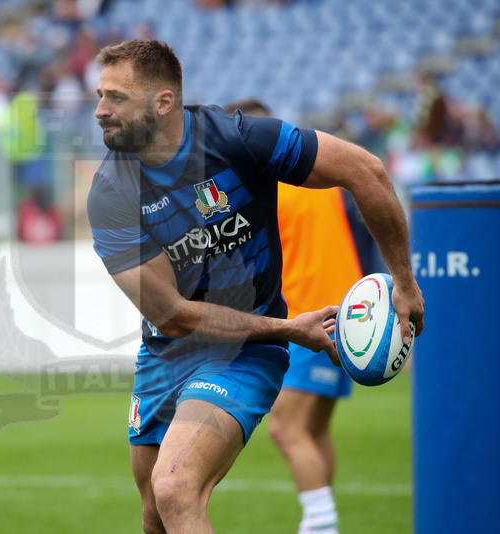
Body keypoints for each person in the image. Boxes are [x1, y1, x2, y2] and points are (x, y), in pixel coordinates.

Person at [86, 40, 424, 534]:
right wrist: (290, 327)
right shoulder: (110, 195)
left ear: (162, 102)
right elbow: (174, 316)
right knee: (154, 516)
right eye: (99, 95)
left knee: (176, 486)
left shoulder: (238, 139)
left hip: (246, 348)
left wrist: (405, 283)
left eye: (116, 97)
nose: (99, 111)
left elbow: (365, 170)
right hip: (165, 352)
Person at [225, 98, 361, 534]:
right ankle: (324, 520)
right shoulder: (314, 177)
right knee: (314, 430)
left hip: (311, 316)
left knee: (286, 428)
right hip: (350, 311)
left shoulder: (262, 184)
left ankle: (321, 525)